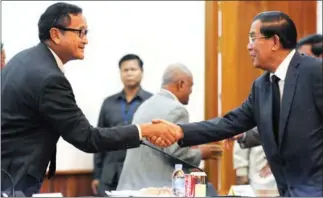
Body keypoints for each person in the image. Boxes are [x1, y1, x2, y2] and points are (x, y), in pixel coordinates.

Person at [1, 2, 180, 196]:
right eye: (80, 32)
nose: (85, 40)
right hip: (14, 178)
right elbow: (87, 138)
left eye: (86, 32)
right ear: (55, 35)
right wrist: (145, 130)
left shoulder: (22, 60)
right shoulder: (49, 78)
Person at [153, 11, 323, 197]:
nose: (248, 46)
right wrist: (180, 131)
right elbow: (229, 123)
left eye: (253, 38)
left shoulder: (314, 72)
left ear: (275, 42)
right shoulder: (261, 86)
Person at [117, 63, 213, 191]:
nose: (191, 91)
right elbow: (177, 154)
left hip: (130, 187)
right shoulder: (177, 109)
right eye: (191, 86)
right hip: (155, 189)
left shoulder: (146, 104)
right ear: (181, 84)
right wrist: (201, 153)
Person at [92, 54, 152, 195]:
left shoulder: (151, 102)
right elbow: (98, 139)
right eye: (125, 70)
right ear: (120, 73)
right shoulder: (108, 103)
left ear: (141, 72)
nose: (129, 73)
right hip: (109, 174)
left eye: (133, 69)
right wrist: (97, 175)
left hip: (141, 174)